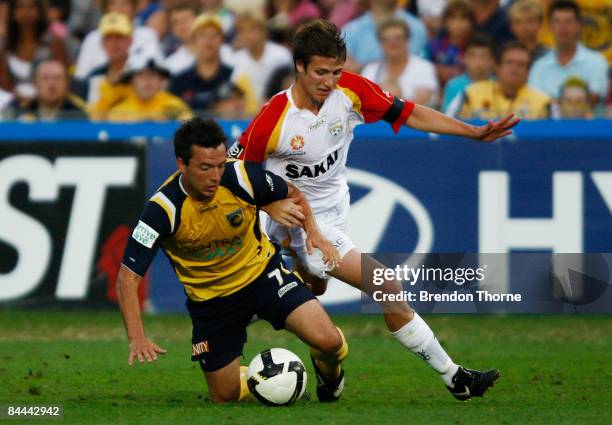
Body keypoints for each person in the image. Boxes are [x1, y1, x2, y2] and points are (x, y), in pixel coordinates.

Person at [231, 19, 518, 401]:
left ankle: (316, 357)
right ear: (299, 66)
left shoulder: (350, 91)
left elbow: (410, 112)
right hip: (293, 222)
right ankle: (455, 377)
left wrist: (472, 131)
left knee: (314, 288)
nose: (329, 81)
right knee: (385, 284)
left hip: (334, 213)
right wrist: (270, 201)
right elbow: (237, 171)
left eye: (335, 71)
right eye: (320, 72)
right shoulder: (273, 118)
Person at [117, 117, 348, 403]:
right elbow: (128, 277)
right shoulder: (162, 210)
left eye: (219, 164)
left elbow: (294, 193)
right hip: (213, 303)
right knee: (224, 396)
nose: (216, 175)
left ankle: (331, 376)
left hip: (264, 276)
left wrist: (312, 231)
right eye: (205, 167)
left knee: (329, 342)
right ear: (181, 164)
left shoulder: (240, 176)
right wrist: (137, 337)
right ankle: (265, 379)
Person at [528, 0, 608, 105]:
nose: (563, 27)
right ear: (550, 26)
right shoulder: (539, 66)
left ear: (579, 25)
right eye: (557, 21)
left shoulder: (597, 62)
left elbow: (593, 100)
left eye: (568, 21)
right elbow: (535, 103)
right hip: (547, 121)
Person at [447, 41, 551, 120]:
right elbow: (448, 124)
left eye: (521, 64)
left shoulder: (543, 101)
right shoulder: (470, 93)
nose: (515, 68)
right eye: (509, 62)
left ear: (528, 71)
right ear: (497, 67)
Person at [74, 0, 163, 80]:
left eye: (124, 3)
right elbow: (81, 77)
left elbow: (158, 72)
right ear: (106, 8)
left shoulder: (147, 35)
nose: (118, 9)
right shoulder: (92, 38)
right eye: (113, 3)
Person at [361, 17, 438, 107]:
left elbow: (421, 105)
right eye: (387, 39)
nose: (393, 43)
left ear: (407, 40)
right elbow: (362, 104)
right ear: (380, 43)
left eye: (398, 38)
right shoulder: (370, 70)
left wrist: (391, 98)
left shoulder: (424, 67)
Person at [169, 14, 235, 114]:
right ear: (194, 40)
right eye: (203, 35)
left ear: (222, 40)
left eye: (214, 35)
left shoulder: (233, 76)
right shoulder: (179, 81)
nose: (209, 40)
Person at [342, 0, 427, 71]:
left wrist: (362, 68)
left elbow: (419, 65)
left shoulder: (417, 27)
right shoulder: (350, 30)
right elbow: (341, 67)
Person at [107, 55, 193, 122]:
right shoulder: (119, 112)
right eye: (140, 75)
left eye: (152, 74)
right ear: (131, 81)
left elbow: (190, 132)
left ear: (161, 80)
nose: (147, 80)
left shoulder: (174, 106)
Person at [4, 59, 86, 121]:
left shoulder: (79, 112)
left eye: (58, 78)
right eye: (45, 78)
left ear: (67, 84)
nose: (51, 84)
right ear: (35, 83)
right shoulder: (21, 110)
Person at [441, 33, 494, 112]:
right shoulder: (453, 85)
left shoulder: (498, 84)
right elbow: (447, 115)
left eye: (483, 55)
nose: (478, 61)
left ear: (491, 60)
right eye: (472, 55)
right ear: (464, 59)